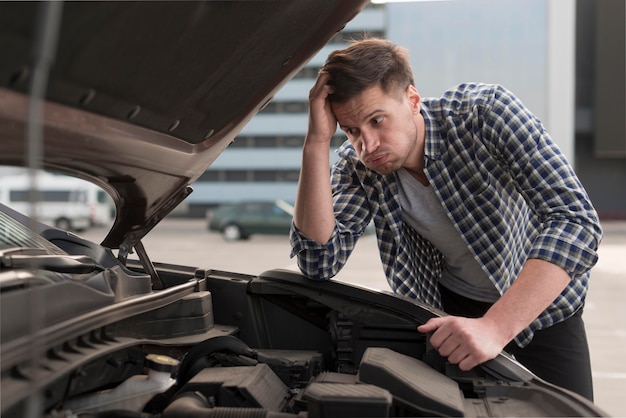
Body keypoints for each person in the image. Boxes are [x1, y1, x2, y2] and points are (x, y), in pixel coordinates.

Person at [289, 38, 602, 400]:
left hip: (541, 305)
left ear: (412, 100)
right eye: (352, 130)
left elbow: (575, 220)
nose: (368, 145)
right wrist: (316, 141)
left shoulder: (486, 113)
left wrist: (495, 327)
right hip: (450, 309)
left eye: (377, 120)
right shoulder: (358, 167)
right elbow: (318, 261)